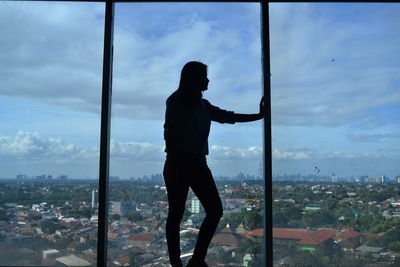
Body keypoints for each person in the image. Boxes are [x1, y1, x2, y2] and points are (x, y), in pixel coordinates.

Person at [163, 61, 265, 267]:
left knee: (210, 211)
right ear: (194, 79)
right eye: (204, 76)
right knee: (177, 215)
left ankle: (196, 259)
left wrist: (260, 115)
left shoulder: (204, 106)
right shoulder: (177, 101)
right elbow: (171, 135)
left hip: (194, 162)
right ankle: (180, 263)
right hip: (180, 162)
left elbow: (229, 117)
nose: (208, 80)